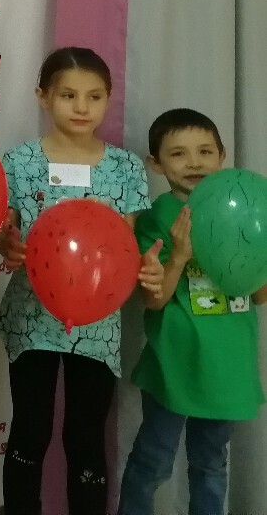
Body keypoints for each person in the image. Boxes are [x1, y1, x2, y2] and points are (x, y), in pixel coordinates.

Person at [0, 47, 150, 515]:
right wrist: (6, 246)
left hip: (97, 324)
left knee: (85, 433)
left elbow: (126, 246)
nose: (82, 107)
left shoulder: (126, 168)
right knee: (30, 429)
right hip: (31, 316)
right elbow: (5, 232)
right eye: (68, 95)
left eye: (94, 96)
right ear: (43, 96)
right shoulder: (18, 161)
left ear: (108, 98)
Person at [118, 108, 266, 515]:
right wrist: (180, 256)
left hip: (229, 366)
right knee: (153, 460)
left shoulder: (243, 211)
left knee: (211, 464)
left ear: (222, 156)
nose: (194, 162)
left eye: (205, 151)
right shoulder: (155, 218)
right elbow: (154, 299)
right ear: (156, 163)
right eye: (178, 153)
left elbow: (259, 294)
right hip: (175, 363)